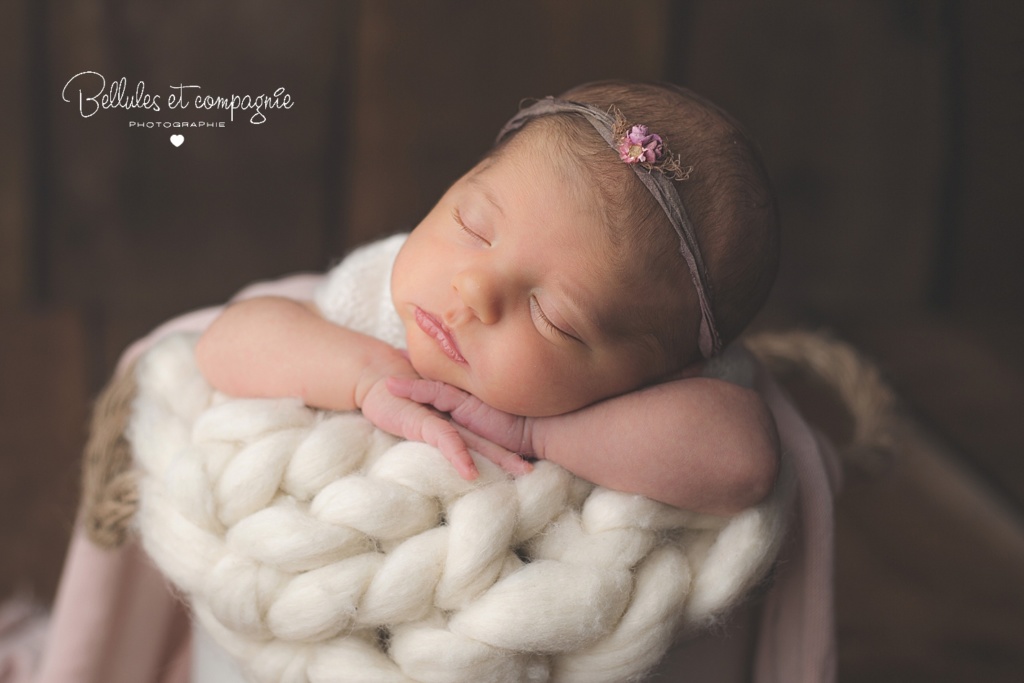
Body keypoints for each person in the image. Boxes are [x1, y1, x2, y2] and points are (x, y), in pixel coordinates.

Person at [195, 80, 781, 516]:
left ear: (657, 371)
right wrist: (369, 378)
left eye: (553, 317)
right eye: (473, 226)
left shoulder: (645, 401)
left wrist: (536, 435)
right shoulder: (373, 299)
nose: (473, 287)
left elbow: (746, 462)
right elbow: (225, 342)